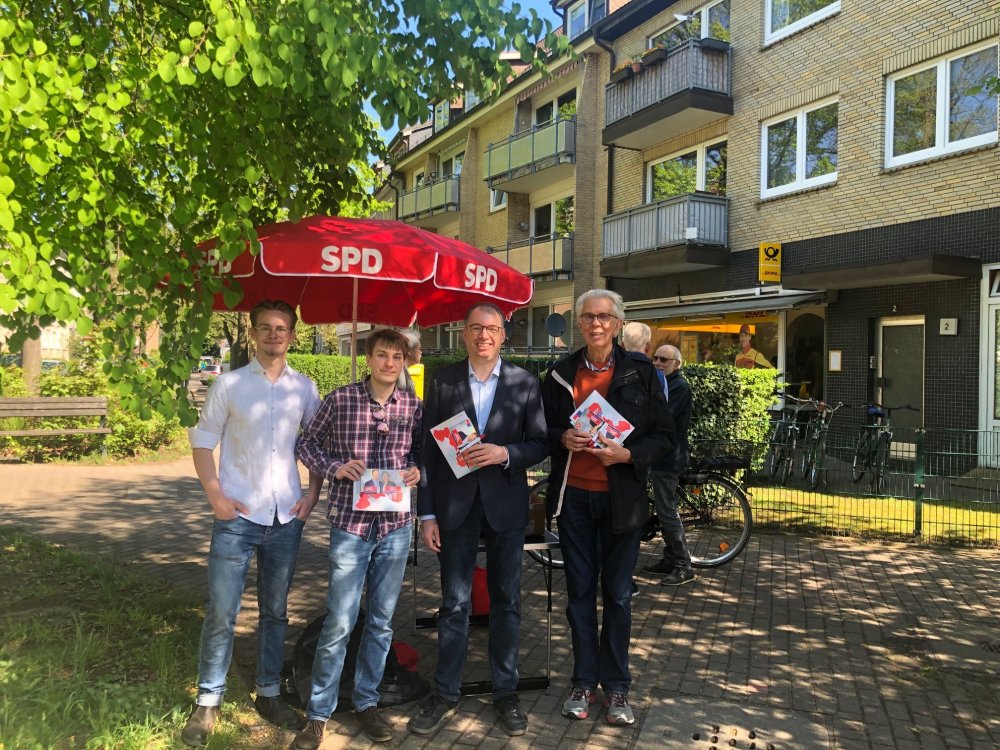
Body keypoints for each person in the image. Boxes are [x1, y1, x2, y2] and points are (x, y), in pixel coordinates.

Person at [182, 299, 322, 746]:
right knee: (222, 610)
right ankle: (208, 699)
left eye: (281, 328)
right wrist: (216, 497)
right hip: (237, 517)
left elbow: (318, 443)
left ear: (292, 335)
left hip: (285, 518)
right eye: (265, 327)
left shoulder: (305, 388)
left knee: (275, 612)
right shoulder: (230, 384)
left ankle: (268, 692)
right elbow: (203, 443)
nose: (273, 334)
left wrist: (313, 493)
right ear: (254, 332)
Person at [408, 303, 548, 738]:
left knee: (507, 602)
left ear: (503, 335)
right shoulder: (443, 380)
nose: (483, 335)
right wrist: (426, 513)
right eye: (475, 328)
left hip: (505, 506)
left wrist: (505, 453)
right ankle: (445, 691)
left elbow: (541, 442)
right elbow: (428, 450)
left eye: (491, 329)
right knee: (454, 603)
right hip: (455, 506)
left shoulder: (525, 382)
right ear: (464, 334)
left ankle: (506, 692)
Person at [540, 289, 674, 727]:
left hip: (622, 501)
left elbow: (665, 438)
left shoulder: (642, 371)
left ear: (617, 323)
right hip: (575, 500)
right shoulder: (559, 373)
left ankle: (616, 687)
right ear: (579, 323)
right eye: (587, 317)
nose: (595, 324)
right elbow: (541, 431)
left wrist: (629, 455)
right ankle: (583, 682)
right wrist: (562, 437)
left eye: (603, 317)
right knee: (579, 595)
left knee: (617, 595)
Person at [290, 329, 422, 748]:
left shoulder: (413, 405)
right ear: (369, 358)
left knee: (381, 623)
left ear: (404, 361)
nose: (389, 363)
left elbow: (422, 453)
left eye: (396, 357)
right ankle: (318, 714)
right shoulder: (340, 399)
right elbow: (305, 443)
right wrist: (334, 467)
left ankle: (368, 702)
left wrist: (417, 470)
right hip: (350, 525)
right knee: (340, 621)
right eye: (382, 355)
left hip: (395, 526)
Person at [643, 344, 694, 585]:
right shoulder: (662, 383)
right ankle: (670, 558)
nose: (658, 363)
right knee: (663, 510)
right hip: (659, 456)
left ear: (677, 364)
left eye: (664, 359)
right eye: (655, 358)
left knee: (667, 511)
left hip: (669, 458)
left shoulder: (679, 387)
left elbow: (662, 417)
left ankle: (684, 565)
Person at [621, 321, 667, 397]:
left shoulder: (611, 369)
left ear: (622, 345)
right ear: (648, 346)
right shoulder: (658, 375)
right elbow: (663, 403)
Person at [398, 329, 423, 395]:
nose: (421, 352)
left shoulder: (404, 371)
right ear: (409, 351)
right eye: (419, 349)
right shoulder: (400, 377)